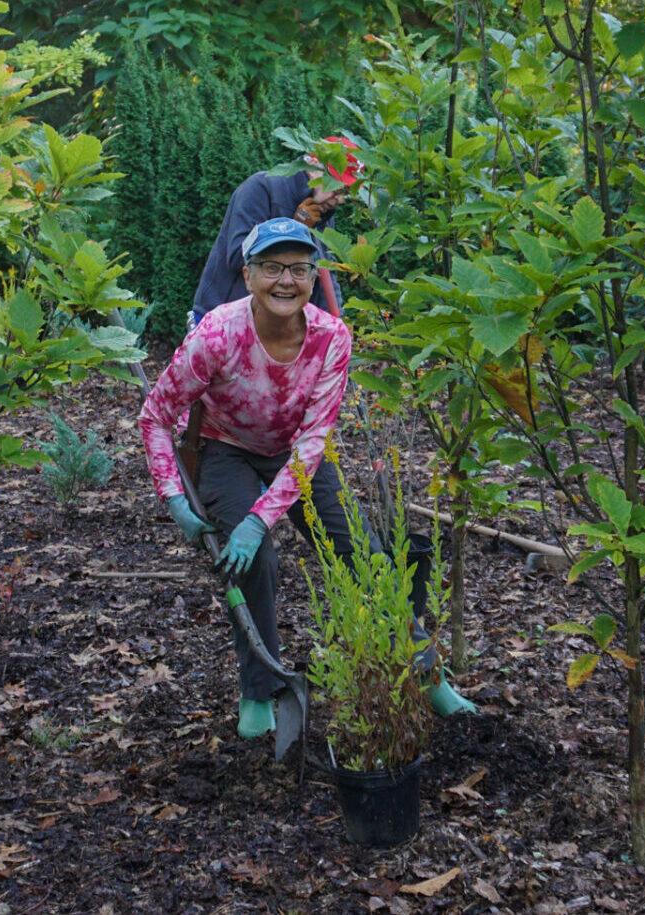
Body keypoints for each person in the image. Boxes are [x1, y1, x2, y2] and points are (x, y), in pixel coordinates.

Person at [140, 218, 474, 741]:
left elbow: (314, 442)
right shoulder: (217, 335)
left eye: (298, 268)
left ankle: (427, 673)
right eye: (271, 267)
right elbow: (155, 415)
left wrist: (262, 517)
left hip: (297, 456)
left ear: (313, 276)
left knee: (367, 556)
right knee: (255, 562)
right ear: (247, 275)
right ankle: (259, 690)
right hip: (227, 451)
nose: (285, 281)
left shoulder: (330, 339)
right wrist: (174, 496)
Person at [189, 136, 361, 328]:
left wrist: (337, 324)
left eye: (345, 192)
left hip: (277, 331)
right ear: (314, 169)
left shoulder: (323, 212)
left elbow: (326, 274)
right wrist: (296, 228)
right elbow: (239, 256)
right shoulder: (261, 188)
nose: (340, 200)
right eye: (337, 189)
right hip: (223, 323)